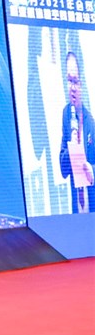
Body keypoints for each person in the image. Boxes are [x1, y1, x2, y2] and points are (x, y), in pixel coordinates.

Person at [59, 50, 95, 213]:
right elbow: (63, 169)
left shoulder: (91, 122)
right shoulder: (66, 114)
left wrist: (91, 171)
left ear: (82, 84)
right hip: (77, 211)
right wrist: (71, 147)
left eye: (75, 81)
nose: (72, 88)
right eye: (69, 81)